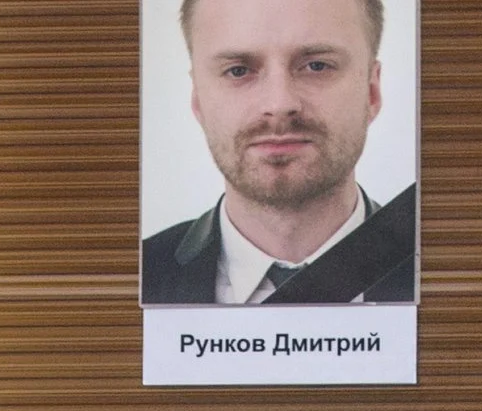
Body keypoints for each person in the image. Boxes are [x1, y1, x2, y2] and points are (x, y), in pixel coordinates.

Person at [141, 0, 418, 305]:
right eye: (238, 70)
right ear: (198, 100)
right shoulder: (137, 278)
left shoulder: (450, 272)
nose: (278, 104)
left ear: (372, 91)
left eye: (317, 66)